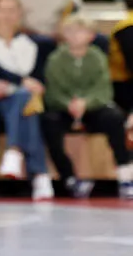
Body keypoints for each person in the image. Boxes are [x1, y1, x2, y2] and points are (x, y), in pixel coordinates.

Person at [42, 15, 133, 200]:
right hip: (64, 109)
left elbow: (103, 89)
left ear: (91, 35)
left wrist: (86, 103)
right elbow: (52, 91)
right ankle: (69, 178)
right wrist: (68, 104)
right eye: (70, 31)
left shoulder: (98, 58)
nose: (75, 36)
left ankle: (125, 174)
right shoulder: (55, 59)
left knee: (114, 118)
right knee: (49, 122)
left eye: (80, 31)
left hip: (93, 107)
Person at [0, 0, 53, 201]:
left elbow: (38, 79)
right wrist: (16, 83)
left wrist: (26, 85)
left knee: (24, 100)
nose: (7, 16)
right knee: (24, 100)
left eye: (12, 11)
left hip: (24, 101)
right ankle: (39, 174)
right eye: (3, 10)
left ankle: (14, 151)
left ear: (20, 14)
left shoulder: (32, 45)